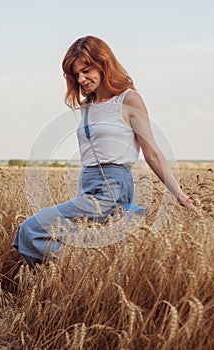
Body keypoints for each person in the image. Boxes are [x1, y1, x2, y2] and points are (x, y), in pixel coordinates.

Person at [12, 35, 199, 267]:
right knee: (76, 241)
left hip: (113, 188)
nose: (81, 78)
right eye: (76, 74)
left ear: (103, 63)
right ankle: (92, 268)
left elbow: (151, 152)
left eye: (86, 70)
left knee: (30, 230)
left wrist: (178, 194)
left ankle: (85, 267)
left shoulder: (128, 99)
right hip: (87, 186)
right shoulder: (86, 107)